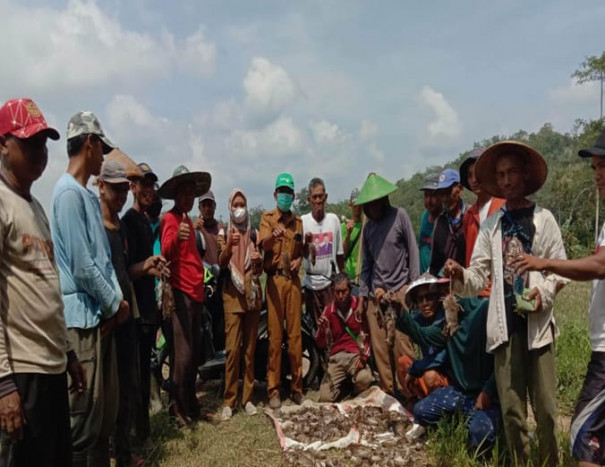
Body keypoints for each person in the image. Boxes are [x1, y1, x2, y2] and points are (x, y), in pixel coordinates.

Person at [444, 141, 569, 466]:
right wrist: (459, 274)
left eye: (512, 171)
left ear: (525, 175)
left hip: (538, 329)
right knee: (513, 413)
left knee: (546, 412)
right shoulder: (492, 226)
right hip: (505, 330)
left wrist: (543, 293)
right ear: (496, 182)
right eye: (501, 174)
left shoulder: (544, 219)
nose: (507, 179)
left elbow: (560, 269)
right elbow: (476, 279)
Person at [0, 98, 85, 467]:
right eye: (29, 143)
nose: (39, 152)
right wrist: (3, 384)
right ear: (3, 144)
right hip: (22, 372)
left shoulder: (34, 207)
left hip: (50, 368)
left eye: (43, 144)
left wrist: (68, 354)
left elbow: (47, 288)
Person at [513, 129, 605, 467]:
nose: (597, 175)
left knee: (582, 437)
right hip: (597, 346)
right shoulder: (495, 223)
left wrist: (545, 266)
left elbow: (598, 265)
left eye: (602, 167)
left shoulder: (544, 220)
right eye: (594, 167)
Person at [51, 110, 130, 466]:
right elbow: (83, 267)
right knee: (83, 423)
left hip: (100, 316)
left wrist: (115, 302)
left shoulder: (83, 195)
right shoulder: (67, 194)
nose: (104, 157)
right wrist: (116, 302)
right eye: (102, 149)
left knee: (103, 417)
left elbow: (102, 260)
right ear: (89, 143)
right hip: (82, 322)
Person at [398, 295, 500, 450]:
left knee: (481, 432)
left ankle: (483, 434)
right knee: (421, 410)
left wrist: (487, 391)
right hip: (459, 392)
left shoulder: (483, 315)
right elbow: (422, 335)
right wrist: (399, 310)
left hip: (484, 395)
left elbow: (501, 363)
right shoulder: (447, 327)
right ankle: (457, 424)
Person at [355, 172, 418, 397]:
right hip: (376, 295)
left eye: (375, 202)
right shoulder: (368, 228)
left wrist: (411, 289)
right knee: (381, 350)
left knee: (402, 346)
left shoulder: (400, 216)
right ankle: (389, 394)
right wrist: (363, 298)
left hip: (400, 292)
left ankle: (410, 393)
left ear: (383, 200)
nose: (372, 208)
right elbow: (367, 266)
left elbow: (413, 251)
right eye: (368, 205)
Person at [158, 165, 211, 426]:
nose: (189, 198)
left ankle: (190, 403)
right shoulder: (170, 220)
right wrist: (176, 238)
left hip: (195, 293)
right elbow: (165, 253)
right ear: (176, 195)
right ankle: (177, 406)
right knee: (183, 354)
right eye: (185, 193)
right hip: (181, 293)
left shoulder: (188, 219)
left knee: (193, 353)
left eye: (192, 194)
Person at [121, 162, 162, 441]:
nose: (149, 189)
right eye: (143, 184)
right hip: (134, 311)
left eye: (151, 184)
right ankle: (134, 433)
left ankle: (143, 430)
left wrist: (154, 267)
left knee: (145, 369)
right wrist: (146, 266)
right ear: (132, 187)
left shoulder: (147, 222)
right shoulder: (127, 223)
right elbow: (125, 271)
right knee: (134, 374)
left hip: (148, 308)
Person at [259, 173, 304, 409]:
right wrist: (271, 236)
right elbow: (262, 245)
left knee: (295, 338)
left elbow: (301, 250)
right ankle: (273, 389)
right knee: (275, 338)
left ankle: (297, 387)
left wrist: (299, 262)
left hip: (293, 282)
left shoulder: (298, 223)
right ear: (275, 194)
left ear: (293, 196)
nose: (285, 195)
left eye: (289, 192)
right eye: (282, 191)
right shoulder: (267, 219)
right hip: (274, 282)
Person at [217, 189, 263, 420]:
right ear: (229, 207)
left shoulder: (254, 233)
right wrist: (228, 246)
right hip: (232, 296)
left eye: (242, 204)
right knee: (233, 350)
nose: (239, 208)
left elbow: (260, 269)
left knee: (249, 350)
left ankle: (247, 398)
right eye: (235, 204)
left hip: (252, 296)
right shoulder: (224, 232)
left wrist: (258, 261)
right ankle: (229, 399)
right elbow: (221, 262)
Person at [316, 273, 373, 402]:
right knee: (325, 398)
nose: (341, 296)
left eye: (344, 291)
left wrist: (364, 358)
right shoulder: (328, 310)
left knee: (365, 379)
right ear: (333, 292)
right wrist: (322, 329)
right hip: (337, 358)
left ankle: (354, 388)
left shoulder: (359, 307)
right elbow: (320, 344)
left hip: (355, 356)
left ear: (350, 290)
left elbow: (368, 336)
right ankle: (344, 387)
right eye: (337, 292)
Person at [397, 274, 449, 400]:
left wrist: (415, 368)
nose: (425, 303)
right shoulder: (420, 318)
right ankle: (416, 399)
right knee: (403, 361)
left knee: (429, 376)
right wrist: (386, 304)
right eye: (420, 299)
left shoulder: (444, 320)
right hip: (426, 369)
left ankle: (438, 411)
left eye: (429, 298)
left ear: (437, 299)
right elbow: (403, 324)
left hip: (445, 375)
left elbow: (441, 358)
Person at [460, 148, 505, 289]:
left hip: (500, 288)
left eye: (478, 173)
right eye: (469, 175)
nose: (474, 180)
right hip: (476, 290)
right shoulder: (469, 216)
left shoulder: (503, 207)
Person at [302, 177, 345, 325]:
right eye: (315, 197)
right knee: (314, 327)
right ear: (309, 199)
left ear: (325, 197)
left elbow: (339, 254)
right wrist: (306, 243)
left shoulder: (333, 220)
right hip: (311, 285)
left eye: (321, 196)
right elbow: (300, 253)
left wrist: (344, 279)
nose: (318, 200)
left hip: (329, 284)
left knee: (333, 324)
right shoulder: (303, 222)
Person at [194, 190, 226, 352]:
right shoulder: (196, 230)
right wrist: (194, 230)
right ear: (199, 207)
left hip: (221, 285)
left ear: (215, 206)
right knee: (205, 328)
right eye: (204, 205)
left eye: (210, 205)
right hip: (204, 288)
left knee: (221, 327)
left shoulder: (222, 229)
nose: (207, 208)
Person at [429, 168, 467, 276]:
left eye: (448, 192)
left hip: (469, 283)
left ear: (460, 188)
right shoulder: (440, 222)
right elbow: (435, 263)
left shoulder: (470, 216)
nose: (445, 198)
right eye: (441, 194)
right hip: (447, 284)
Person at [417, 172, 441, 274]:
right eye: (426, 195)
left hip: (440, 281)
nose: (429, 201)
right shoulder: (424, 217)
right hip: (422, 280)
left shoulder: (447, 221)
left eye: (433, 196)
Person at [341, 188, 363, 282]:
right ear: (350, 205)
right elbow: (343, 254)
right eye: (355, 206)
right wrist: (348, 235)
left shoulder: (367, 226)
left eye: (360, 206)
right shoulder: (344, 227)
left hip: (364, 277)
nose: (358, 210)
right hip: (350, 277)